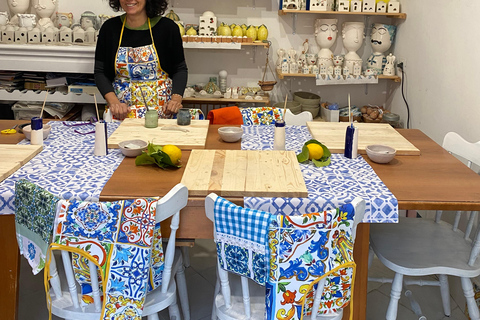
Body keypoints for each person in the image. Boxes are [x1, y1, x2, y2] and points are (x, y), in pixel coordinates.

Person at [94, 0, 188, 119]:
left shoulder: (167, 28)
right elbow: (100, 72)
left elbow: (180, 69)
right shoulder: (110, 28)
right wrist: (114, 102)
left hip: (162, 114)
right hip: (122, 114)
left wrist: (175, 99)